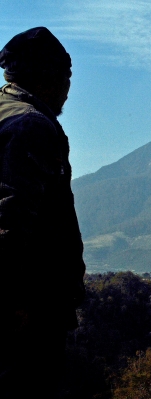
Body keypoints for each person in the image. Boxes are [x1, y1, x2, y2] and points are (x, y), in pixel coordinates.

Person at [0, 27, 85, 397]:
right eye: (66, 77)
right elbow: (10, 217)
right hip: (29, 310)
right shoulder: (31, 125)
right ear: (50, 77)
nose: (68, 88)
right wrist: (14, 301)